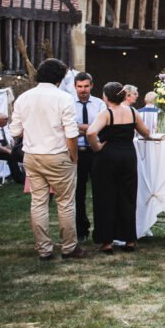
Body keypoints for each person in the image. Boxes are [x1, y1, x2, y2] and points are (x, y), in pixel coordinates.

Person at [9, 58, 85, 260]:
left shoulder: (24, 98)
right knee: (65, 203)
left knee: (38, 203)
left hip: (32, 155)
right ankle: (69, 247)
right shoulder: (64, 98)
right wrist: (74, 157)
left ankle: (44, 249)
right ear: (59, 78)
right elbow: (71, 133)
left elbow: (15, 131)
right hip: (58, 155)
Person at [86, 82, 154, 253]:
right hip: (128, 156)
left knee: (106, 198)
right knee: (127, 197)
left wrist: (96, 147)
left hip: (107, 157)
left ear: (105, 97)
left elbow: (91, 132)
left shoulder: (106, 113)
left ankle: (107, 242)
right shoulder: (133, 112)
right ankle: (129, 240)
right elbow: (145, 132)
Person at [70, 72, 104, 243]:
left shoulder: (99, 104)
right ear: (75, 86)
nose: (83, 90)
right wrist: (91, 128)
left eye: (86, 86)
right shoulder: (69, 104)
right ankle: (81, 230)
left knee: (100, 192)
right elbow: (67, 127)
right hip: (76, 152)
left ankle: (101, 231)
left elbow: (103, 126)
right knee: (78, 194)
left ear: (91, 86)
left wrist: (79, 127)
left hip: (96, 152)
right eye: (79, 86)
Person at [0, 112, 23, 184]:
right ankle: (18, 178)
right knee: (12, 156)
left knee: (21, 153)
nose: (8, 120)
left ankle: (24, 174)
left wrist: (13, 145)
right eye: (6, 119)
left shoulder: (5, 128)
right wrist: (8, 150)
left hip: (6, 151)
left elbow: (11, 140)